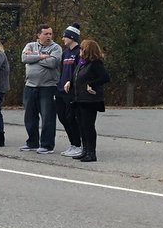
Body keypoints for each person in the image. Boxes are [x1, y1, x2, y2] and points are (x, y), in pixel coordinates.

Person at [66, 39, 110, 162]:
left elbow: (105, 77)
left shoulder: (95, 63)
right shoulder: (82, 63)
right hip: (79, 98)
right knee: (81, 126)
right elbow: (77, 77)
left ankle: (91, 152)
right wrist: (70, 82)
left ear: (87, 50)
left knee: (88, 126)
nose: (79, 50)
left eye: (81, 48)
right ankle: (85, 150)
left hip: (90, 100)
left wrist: (92, 84)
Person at [21, 25, 62, 154]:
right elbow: (24, 58)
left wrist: (34, 57)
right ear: (39, 35)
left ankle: (47, 145)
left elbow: (53, 63)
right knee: (30, 116)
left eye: (50, 34)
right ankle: (32, 142)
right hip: (30, 86)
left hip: (48, 87)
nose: (49, 36)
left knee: (47, 117)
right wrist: (42, 56)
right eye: (46, 34)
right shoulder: (30, 45)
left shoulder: (56, 48)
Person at [56, 24, 83, 157]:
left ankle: (78, 144)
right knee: (62, 117)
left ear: (72, 37)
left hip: (72, 91)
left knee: (71, 117)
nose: (63, 39)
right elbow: (62, 70)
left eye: (65, 36)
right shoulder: (65, 53)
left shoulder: (79, 52)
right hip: (61, 90)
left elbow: (80, 71)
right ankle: (73, 144)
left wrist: (71, 83)